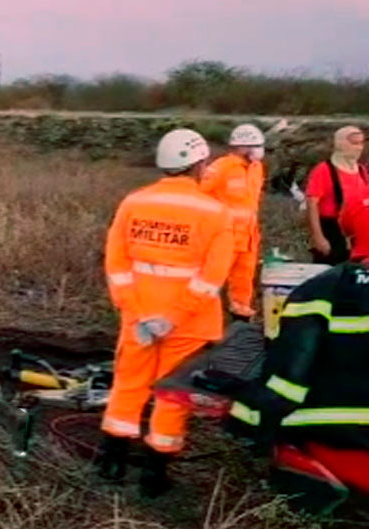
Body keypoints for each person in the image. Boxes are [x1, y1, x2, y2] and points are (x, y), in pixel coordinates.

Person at [98, 129, 234, 497]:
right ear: (200, 165)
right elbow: (211, 280)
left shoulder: (134, 202)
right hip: (188, 323)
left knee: (128, 384)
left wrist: (138, 312)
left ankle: (111, 460)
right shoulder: (216, 213)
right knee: (172, 396)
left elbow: (117, 264)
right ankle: (153, 475)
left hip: (138, 318)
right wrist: (172, 318)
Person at [227, 248, 369, 515]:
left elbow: (286, 382)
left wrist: (246, 424)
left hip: (339, 450)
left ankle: (312, 482)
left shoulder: (326, 287)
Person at [200, 124, 266, 321]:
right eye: (255, 145)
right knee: (212, 277)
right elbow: (198, 192)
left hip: (248, 236)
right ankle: (200, 317)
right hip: (224, 236)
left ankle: (240, 312)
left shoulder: (256, 168)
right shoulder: (221, 167)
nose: (259, 150)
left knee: (244, 277)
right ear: (242, 146)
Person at [304, 126, 368, 265]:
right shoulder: (324, 170)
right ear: (340, 143)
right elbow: (311, 204)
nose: (359, 148)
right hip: (331, 228)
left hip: (355, 231)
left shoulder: (362, 170)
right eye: (354, 143)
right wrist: (318, 237)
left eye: (361, 143)